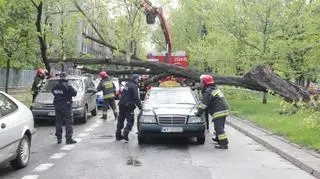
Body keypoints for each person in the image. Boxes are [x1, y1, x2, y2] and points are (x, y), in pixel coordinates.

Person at [195, 75, 229, 149]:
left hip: (219, 110)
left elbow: (204, 104)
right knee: (219, 127)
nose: (200, 84)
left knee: (218, 128)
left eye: (201, 82)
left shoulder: (208, 91)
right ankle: (218, 138)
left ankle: (224, 143)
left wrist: (198, 113)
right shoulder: (213, 88)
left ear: (204, 83)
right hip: (222, 109)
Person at [52, 72, 77, 144]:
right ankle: (69, 138)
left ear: (60, 77)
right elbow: (74, 93)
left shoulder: (56, 86)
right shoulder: (67, 85)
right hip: (66, 106)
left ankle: (59, 138)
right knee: (68, 122)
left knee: (58, 122)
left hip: (57, 105)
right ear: (66, 77)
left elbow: (53, 92)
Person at [115, 74, 143, 142]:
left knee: (121, 119)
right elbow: (136, 98)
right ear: (135, 79)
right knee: (130, 120)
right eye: (138, 79)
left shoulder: (127, 84)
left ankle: (118, 135)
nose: (138, 81)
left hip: (121, 104)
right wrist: (140, 107)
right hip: (128, 106)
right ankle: (125, 133)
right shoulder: (134, 86)